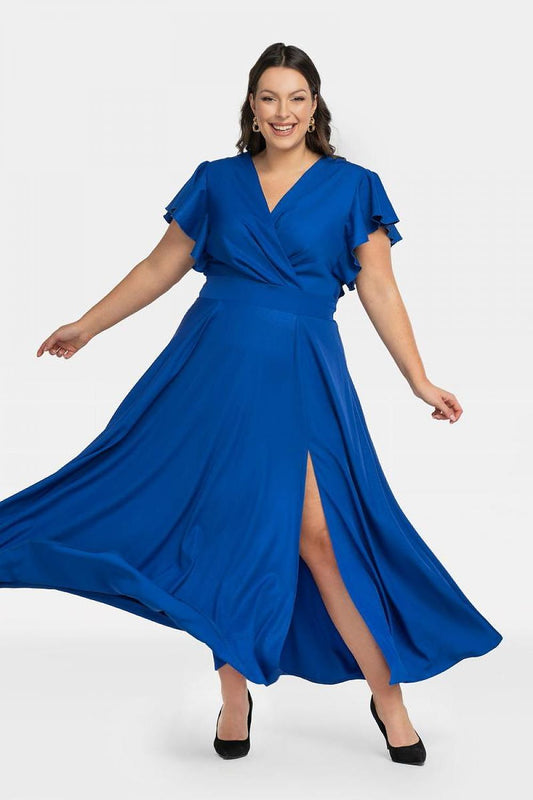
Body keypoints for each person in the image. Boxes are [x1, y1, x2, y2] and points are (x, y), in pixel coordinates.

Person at [0, 43, 502, 765]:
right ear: (252, 106)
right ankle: (233, 697)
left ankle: (387, 698)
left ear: (315, 106)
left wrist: (418, 380)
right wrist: (88, 324)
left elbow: (379, 287)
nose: (282, 112)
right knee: (227, 535)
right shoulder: (217, 180)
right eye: (269, 97)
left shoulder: (352, 187)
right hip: (213, 370)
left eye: (296, 98)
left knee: (322, 539)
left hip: (302, 372)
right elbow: (160, 265)